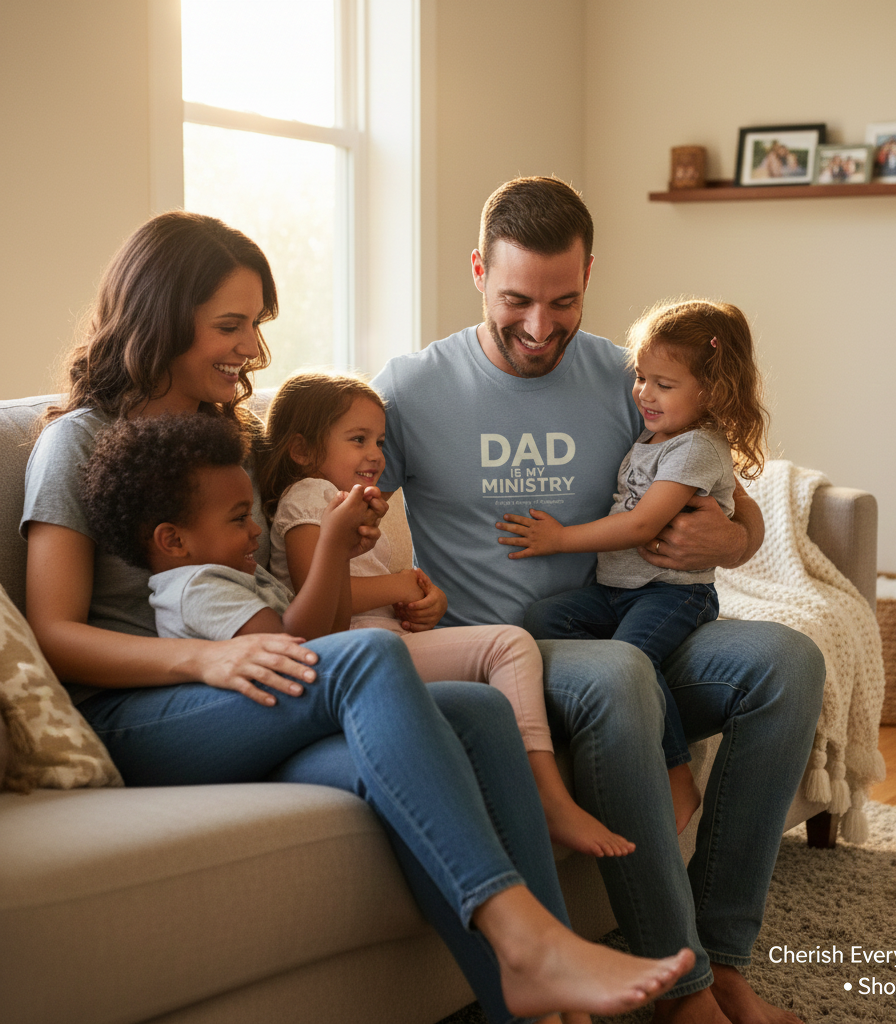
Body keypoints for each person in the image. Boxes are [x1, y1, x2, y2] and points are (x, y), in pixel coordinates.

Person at [21, 210, 692, 1024]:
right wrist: (203, 662)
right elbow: (53, 632)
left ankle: (545, 1007)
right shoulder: (78, 443)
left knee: (477, 712)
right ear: (158, 319)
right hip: (144, 713)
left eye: (255, 325)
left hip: (255, 698)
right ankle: (532, 944)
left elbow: (294, 597)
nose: (249, 350)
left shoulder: (226, 439)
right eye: (228, 326)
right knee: (369, 662)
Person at [373, 177, 825, 1024]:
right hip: (507, 654)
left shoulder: (627, 377)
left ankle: (723, 960)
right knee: (620, 675)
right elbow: (332, 489)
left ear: (590, 276)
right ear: (477, 271)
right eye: (516, 300)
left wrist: (734, 538)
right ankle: (682, 991)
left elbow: (721, 475)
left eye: (564, 301)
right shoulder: (414, 387)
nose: (540, 328)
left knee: (788, 662)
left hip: (628, 618)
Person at [255, 370, 633, 857]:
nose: (376, 454)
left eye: (380, 440)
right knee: (508, 645)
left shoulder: (354, 504)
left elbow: (375, 593)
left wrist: (422, 603)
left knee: (493, 674)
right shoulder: (309, 495)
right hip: (351, 655)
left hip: (382, 642)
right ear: (303, 451)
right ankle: (547, 795)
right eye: (358, 439)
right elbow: (319, 594)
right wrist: (399, 585)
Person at [496, 298, 768, 837]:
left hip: (671, 594)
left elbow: (644, 524)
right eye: (641, 378)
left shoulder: (697, 447)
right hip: (619, 589)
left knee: (631, 660)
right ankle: (582, 716)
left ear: (710, 393)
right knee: (546, 619)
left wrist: (559, 539)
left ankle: (675, 774)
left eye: (663, 384)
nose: (644, 393)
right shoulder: (655, 434)